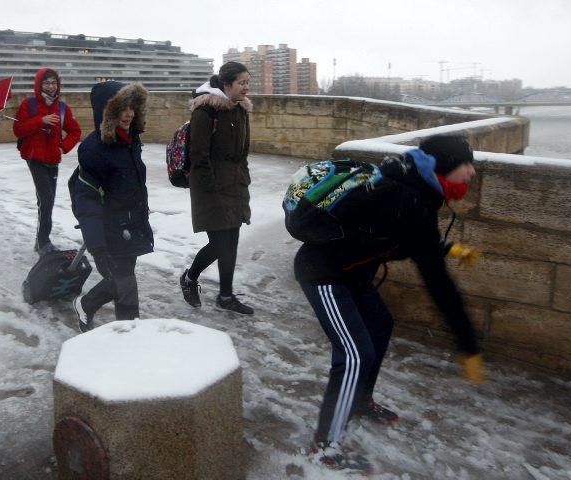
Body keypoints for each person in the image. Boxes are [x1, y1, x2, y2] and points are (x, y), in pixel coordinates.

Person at [294, 134, 487, 472]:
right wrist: (467, 344)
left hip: (353, 273)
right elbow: (438, 282)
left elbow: (392, 233)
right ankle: (323, 447)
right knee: (354, 354)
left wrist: (443, 249)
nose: (472, 172)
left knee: (380, 326)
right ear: (443, 167)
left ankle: (360, 401)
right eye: (466, 164)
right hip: (322, 274)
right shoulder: (403, 194)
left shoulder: (416, 188)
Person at [71, 81, 152, 332]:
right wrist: (96, 247)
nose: (128, 114)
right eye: (121, 108)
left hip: (131, 221)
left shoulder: (130, 140)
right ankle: (130, 332)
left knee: (121, 277)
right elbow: (86, 201)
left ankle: (86, 304)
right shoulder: (95, 150)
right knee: (125, 281)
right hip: (111, 227)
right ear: (107, 112)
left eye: (131, 107)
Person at [179, 61, 254, 315]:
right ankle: (190, 278)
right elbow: (199, 155)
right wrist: (213, 189)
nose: (246, 87)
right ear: (226, 84)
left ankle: (225, 295)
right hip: (210, 188)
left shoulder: (240, 110)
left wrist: (243, 178)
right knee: (220, 243)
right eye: (241, 82)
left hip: (235, 186)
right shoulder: (205, 111)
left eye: (247, 82)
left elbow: (242, 153)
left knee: (230, 242)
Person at [13, 68, 82, 255]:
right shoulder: (29, 105)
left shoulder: (62, 108)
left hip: (53, 158)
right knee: (47, 199)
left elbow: (75, 131)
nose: (51, 86)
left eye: (53, 82)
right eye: (46, 83)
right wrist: (40, 120)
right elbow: (18, 129)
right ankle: (43, 242)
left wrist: (63, 147)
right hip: (34, 157)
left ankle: (40, 240)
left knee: (44, 200)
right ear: (39, 84)